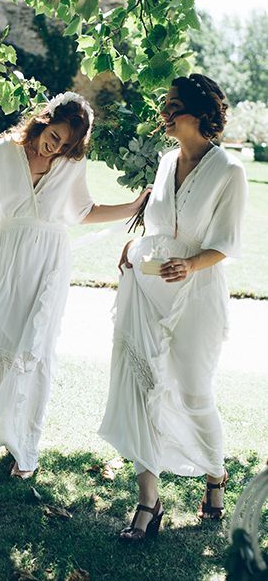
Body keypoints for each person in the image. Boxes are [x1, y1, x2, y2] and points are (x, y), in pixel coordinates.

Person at [0, 92, 149, 479]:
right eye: (56, 137)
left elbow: (84, 211)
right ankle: (8, 427)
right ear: (45, 119)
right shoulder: (1, 153)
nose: (57, 147)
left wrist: (133, 206)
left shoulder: (70, 165)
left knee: (35, 350)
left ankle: (26, 448)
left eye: (66, 144)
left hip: (49, 260)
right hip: (7, 257)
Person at [98, 74, 249, 542]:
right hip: (148, 290)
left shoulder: (229, 172)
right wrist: (134, 250)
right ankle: (148, 502)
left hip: (197, 294)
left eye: (175, 105)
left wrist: (190, 265)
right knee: (141, 386)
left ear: (203, 113)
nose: (166, 112)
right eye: (166, 103)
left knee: (194, 392)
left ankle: (215, 475)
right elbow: (161, 227)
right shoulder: (165, 162)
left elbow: (225, 244)